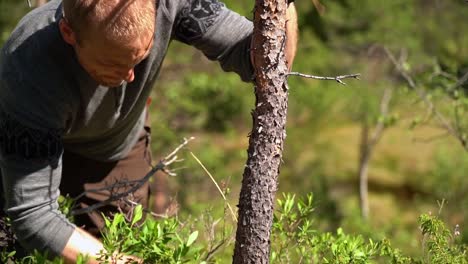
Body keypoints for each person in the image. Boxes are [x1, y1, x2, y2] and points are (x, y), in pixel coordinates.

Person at [0, 0, 297, 262]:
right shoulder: (27, 68)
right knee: (16, 250)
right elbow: (33, 214)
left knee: (116, 239)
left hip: (114, 149)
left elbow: (266, 60)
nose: (130, 77)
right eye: (113, 63)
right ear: (69, 33)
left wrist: (282, 6)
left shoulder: (172, 3)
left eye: (139, 57)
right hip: (29, 139)